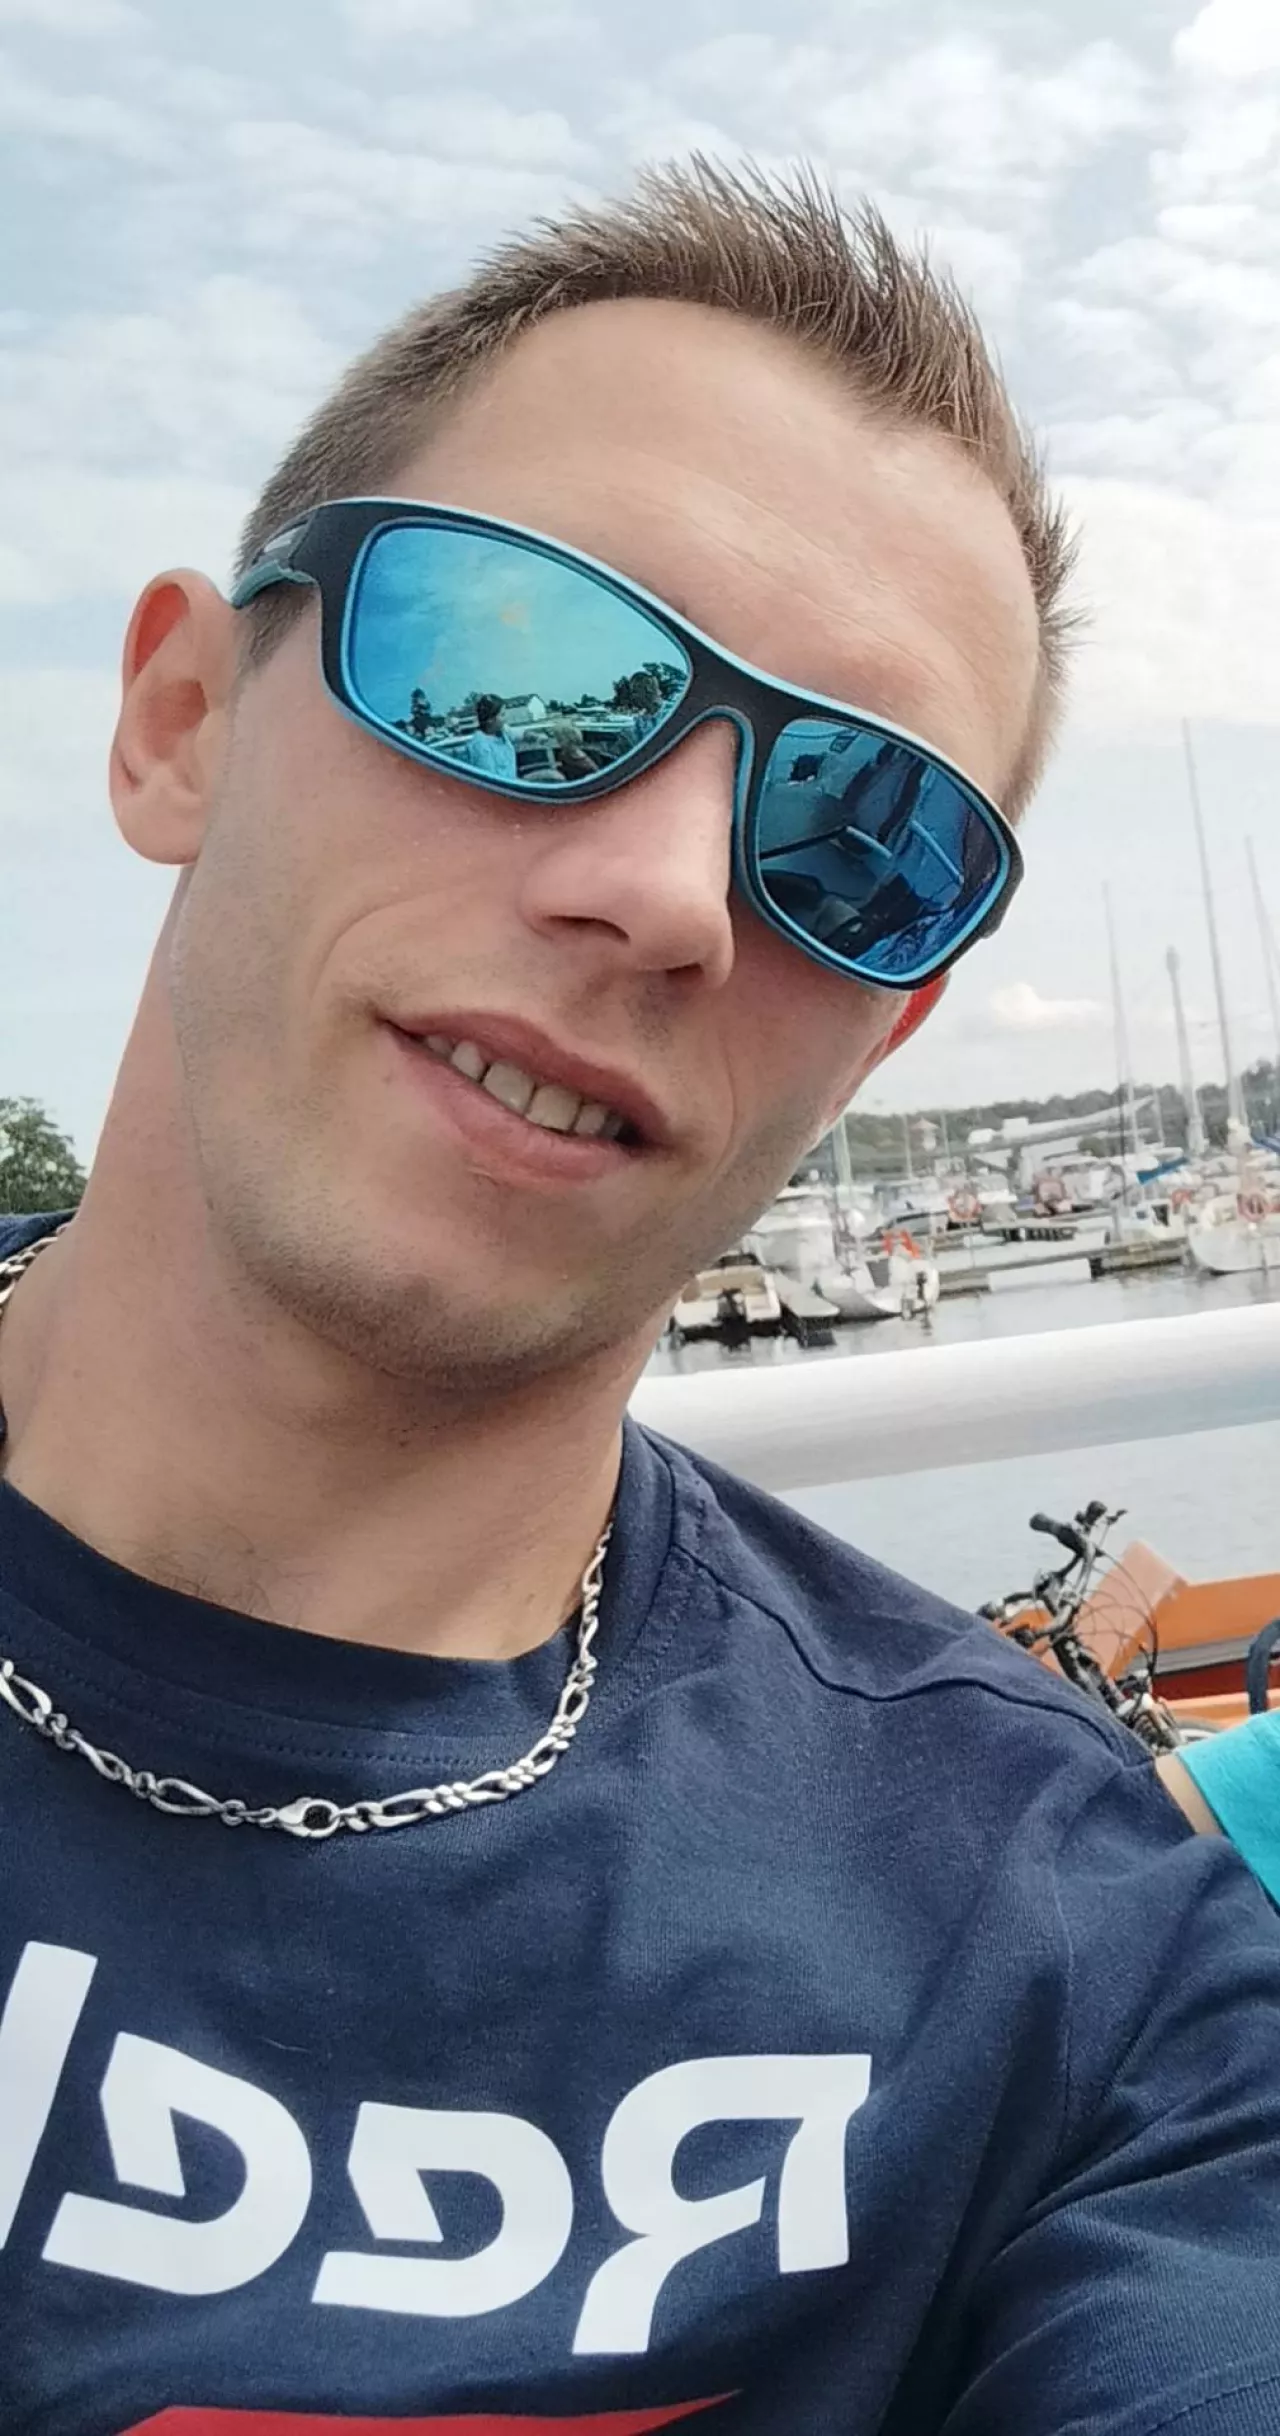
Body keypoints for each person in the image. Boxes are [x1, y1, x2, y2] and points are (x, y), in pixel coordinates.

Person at [1, 159, 1279, 2435]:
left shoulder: (1057, 1960)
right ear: (184, 717)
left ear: (880, 1034)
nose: (672, 893)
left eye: (860, 839)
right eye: (519, 668)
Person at [452, 689, 517, 778]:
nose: (506, 718)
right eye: (502, 715)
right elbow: (490, 780)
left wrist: (531, 735)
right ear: (490, 720)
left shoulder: (501, 733)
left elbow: (517, 734)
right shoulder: (481, 747)